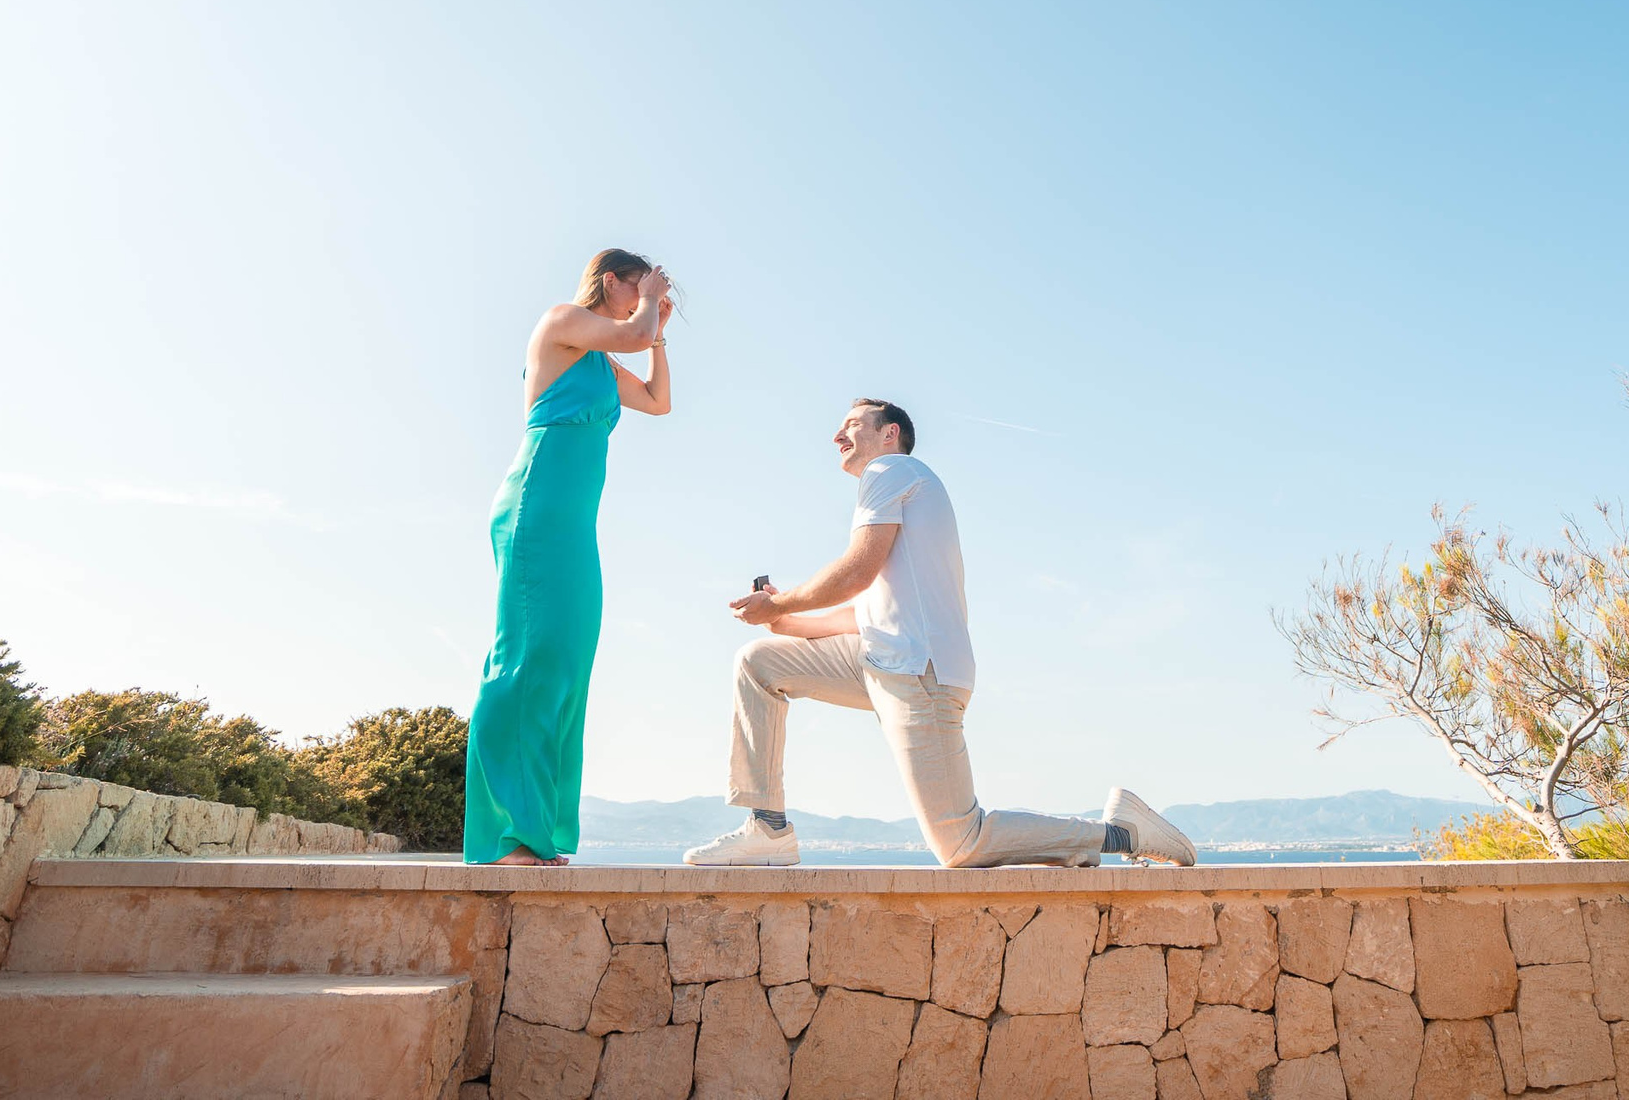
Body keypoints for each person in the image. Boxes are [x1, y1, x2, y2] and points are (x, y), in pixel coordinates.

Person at [684, 397, 1193, 868]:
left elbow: (855, 571)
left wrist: (781, 601)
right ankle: (768, 829)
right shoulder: (896, 487)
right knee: (760, 662)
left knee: (960, 843)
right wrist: (784, 621)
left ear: (891, 434)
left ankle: (1118, 832)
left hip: (918, 674)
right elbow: (867, 607)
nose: (838, 434)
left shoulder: (892, 469)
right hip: (881, 659)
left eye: (853, 424)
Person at [464, 248, 674, 865]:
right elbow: (634, 331)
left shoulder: (606, 362)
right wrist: (649, 312)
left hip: (575, 521)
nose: (648, 300)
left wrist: (657, 330)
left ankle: (539, 831)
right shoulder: (561, 323)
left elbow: (660, 402)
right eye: (638, 286)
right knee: (524, 661)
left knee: (565, 664)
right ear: (611, 281)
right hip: (537, 505)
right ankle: (507, 837)